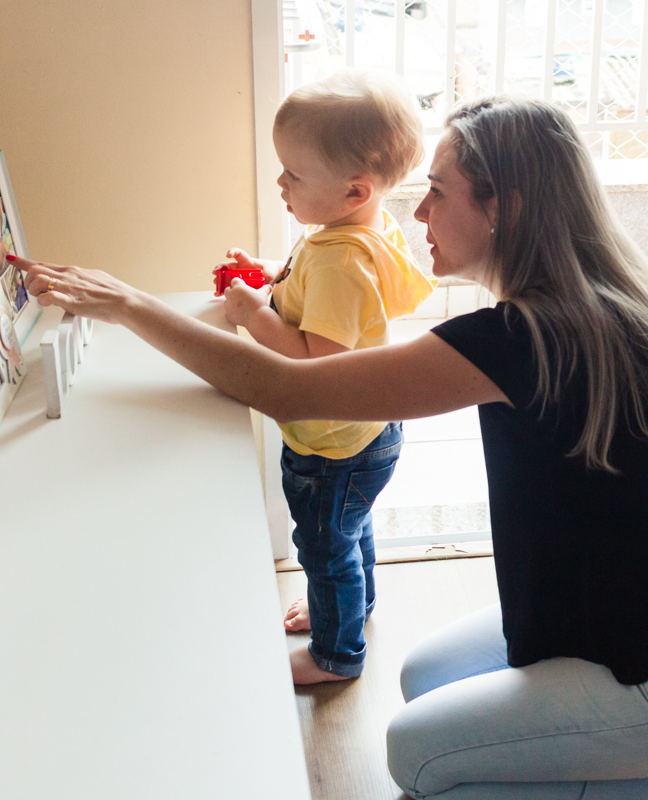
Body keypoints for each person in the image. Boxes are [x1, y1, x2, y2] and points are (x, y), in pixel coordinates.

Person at [13, 95, 648, 799]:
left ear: (506, 208)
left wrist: (127, 304)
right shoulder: (603, 295)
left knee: (420, 758)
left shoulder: (521, 339)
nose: (416, 212)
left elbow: (285, 388)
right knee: (424, 676)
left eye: (439, 193)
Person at [216, 69, 435, 684]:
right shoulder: (360, 233)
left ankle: (335, 656)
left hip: (331, 445)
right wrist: (268, 276)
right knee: (350, 528)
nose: (280, 182)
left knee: (323, 546)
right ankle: (349, 605)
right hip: (366, 434)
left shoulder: (338, 261)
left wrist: (254, 314)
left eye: (294, 173)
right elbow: (317, 290)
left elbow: (317, 362)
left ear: (354, 191)